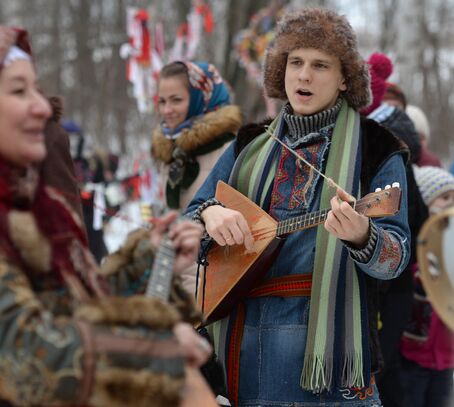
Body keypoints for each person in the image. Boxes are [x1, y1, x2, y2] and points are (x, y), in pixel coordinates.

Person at [0, 26, 210, 406]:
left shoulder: (14, 201)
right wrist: (152, 351)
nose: (43, 106)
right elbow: (18, 350)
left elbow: (63, 316)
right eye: (19, 91)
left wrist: (146, 262)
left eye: (35, 89)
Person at [186, 8, 410, 406]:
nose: (304, 75)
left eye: (320, 65)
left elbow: (395, 260)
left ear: (345, 78)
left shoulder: (378, 148)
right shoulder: (247, 144)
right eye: (295, 62)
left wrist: (363, 235)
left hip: (328, 368)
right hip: (241, 353)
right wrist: (210, 214)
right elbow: (190, 221)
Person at [360, 53, 428, 407]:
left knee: (384, 376)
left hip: (391, 285)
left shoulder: (387, 150)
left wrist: (372, 236)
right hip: (360, 290)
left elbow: (414, 221)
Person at [152, 61, 242, 211]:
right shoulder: (169, 150)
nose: (167, 110)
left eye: (176, 100)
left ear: (201, 98)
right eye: (162, 101)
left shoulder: (230, 150)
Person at [400, 166, 454, 407]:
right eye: (444, 198)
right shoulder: (413, 245)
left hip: (445, 358)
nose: (450, 204)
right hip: (412, 356)